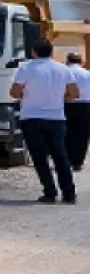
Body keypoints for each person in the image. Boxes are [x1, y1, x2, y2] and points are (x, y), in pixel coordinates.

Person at [10, 39, 79, 203]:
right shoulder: (63, 69)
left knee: (40, 158)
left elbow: (14, 92)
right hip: (56, 118)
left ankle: (50, 192)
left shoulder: (25, 67)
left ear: (34, 51)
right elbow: (75, 93)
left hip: (32, 117)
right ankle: (69, 193)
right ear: (51, 51)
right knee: (61, 157)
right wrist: (58, 99)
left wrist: (25, 95)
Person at [64, 52, 90, 171]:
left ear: (67, 61)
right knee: (82, 134)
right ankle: (77, 162)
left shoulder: (64, 72)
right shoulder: (87, 73)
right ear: (81, 61)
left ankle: (66, 159)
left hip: (67, 104)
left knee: (66, 133)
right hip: (85, 106)